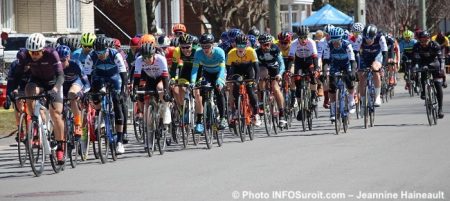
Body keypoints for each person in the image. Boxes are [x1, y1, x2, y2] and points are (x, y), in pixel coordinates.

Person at [15, 33, 65, 163]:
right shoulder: (24, 55)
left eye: (37, 52)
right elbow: (17, 75)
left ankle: (60, 147)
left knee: (56, 114)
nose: (35, 55)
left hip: (53, 83)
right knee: (29, 91)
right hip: (37, 81)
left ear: (43, 49)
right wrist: (12, 91)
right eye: (32, 53)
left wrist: (54, 90)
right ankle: (35, 122)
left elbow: (61, 76)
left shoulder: (52, 54)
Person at [84, 36, 128, 154]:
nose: (100, 55)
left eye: (102, 52)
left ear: (107, 49)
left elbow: (124, 75)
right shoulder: (91, 56)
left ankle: (119, 141)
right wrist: (88, 90)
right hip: (99, 77)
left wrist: (122, 92)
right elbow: (87, 75)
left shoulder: (115, 55)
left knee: (117, 102)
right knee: (95, 95)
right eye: (98, 52)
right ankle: (100, 115)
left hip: (115, 78)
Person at [133, 43, 172, 142]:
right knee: (146, 101)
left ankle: (166, 109)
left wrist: (166, 92)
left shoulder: (160, 59)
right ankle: (149, 128)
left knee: (160, 88)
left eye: (149, 56)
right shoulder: (139, 60)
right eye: (144, 57)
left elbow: (165, 78)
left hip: (161, 79)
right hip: (150, 78)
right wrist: (134, 91)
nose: (146, 59)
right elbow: (136, 78)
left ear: (154, 54)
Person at [191, 33, 228, 133]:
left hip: (219, 73)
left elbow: (222, 68)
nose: (205, 49)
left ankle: (223, 118)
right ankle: (205, 117)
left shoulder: (219, 52)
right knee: (203, 91)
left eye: (207, 46)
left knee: (219, 91)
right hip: (207, 73)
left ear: (212, 45)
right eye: (203, 46)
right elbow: (195, 69)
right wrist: (193, 82)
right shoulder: (198, 53)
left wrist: (220, 81)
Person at [322, 27, 357, 120]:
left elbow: (353, 61)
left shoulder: (347, 45)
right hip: (335, 65)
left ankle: (351, 100)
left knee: (349, 79)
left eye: (337, 40)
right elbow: (325, 61)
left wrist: (353, 72)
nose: (335, 43)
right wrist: (325, 73)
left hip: (346, 65)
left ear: (341, 38)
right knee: (332, 86)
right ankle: (333, 110)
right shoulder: (328, 45)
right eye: (333, 40)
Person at [226, 34, 261, 127]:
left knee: (250, 90)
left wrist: (256, 81)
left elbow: (257, 68)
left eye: (243, 45)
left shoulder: (251, 51)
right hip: (236, 71)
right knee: (235, 89)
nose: (241, 48)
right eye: (239, 45)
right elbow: (228, 69)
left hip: (248, 71)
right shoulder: (231, 53)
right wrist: (228, 79)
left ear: (247, 45)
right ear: (235, 45)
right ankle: (237, 110)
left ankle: (256, 114)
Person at [56, 45, 90, 138]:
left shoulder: (76, 64)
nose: (61, 64)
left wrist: (81, 92)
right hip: (63, 84)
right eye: (59, 61)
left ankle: (78, 124)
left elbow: (87, 83)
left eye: (63, 60)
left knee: (72, 94)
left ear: (69, 57)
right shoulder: (55, 66)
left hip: (76, 82)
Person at [288, 26, 319, 121]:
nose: (303, 39)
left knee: (313, 76)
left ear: (307, 36)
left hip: (310, 61)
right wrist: (288, 70)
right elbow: (291, 58)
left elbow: (315, 57)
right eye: (301, 37)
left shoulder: (311, 42)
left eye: (305, 37)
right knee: (297, 80)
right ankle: (300, 106)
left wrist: (316, 68)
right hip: (299, 62)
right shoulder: (294, 43)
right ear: (298, 37)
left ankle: (313, 96)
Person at [256, 33, 287, 126]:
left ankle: (282, 114)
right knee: (261, 78)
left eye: (267, 44)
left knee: (276, 89)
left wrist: (280, 74)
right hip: (263, 67)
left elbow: (281, 64)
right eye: (263, 45)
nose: (265, 47)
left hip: (274, 68)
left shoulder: (275, 49)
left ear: (271, 43)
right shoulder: (257, 52)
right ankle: (261, 102)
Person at [413, 31, 445, 118]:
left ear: (429, 39)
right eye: (422, 40)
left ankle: (440, 109)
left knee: (438, 84)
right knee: (423, 71)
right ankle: (424, 91)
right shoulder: (416, 46)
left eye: (426, 40)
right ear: (419, 40)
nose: (424, 42)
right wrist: (414, 67)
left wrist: (442, 69)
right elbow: (415, 59)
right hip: (423, 63)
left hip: (434, 63)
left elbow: (441, 59)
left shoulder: (435, 45)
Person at [359, 24, 388, 107]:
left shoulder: (381, 38)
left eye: (371, 38)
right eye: (366, 38)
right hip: (365, 56)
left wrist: (383, 66)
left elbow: (385, 52)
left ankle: (377, 96)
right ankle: (363, 99)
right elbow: (355, 52)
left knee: (375, 69)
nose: (368, 41)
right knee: (361, 76)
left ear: (375, 36)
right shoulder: (360, 38)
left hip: (377, 56)